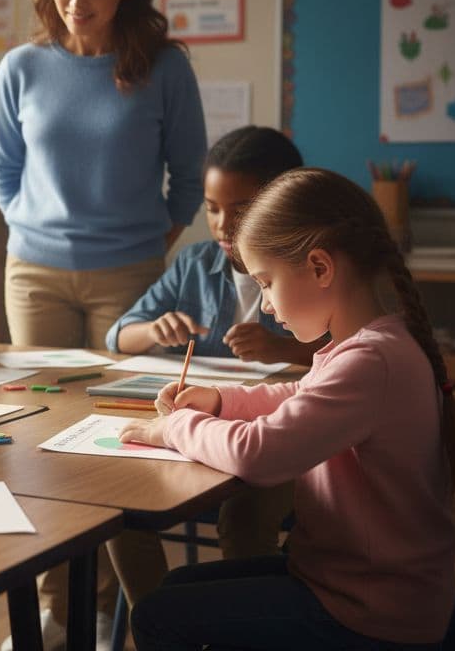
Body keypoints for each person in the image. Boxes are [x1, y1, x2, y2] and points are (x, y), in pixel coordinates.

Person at [121, 167, 455, 650]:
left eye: (265, 282)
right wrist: (221, 400)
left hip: (371, 613)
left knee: (160, 615)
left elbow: (260, 454)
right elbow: (299, 397)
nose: (263, 304)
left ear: (321, 268)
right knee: (173, 592)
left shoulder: (370, 361)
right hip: (352, 585)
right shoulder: (370, 345)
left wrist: (175, 426)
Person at [0, 0, 205, 646]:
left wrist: (143, 240)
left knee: (117, 446)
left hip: (130, 278)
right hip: (35, 277)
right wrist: (39, 226)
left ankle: (125, 610)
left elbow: (188, 177)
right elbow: (2, 173)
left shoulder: (164, 66)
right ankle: (56, 612)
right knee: (41, 444)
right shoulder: (22, 66)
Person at [107, 126, 322, 561]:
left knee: (243, 516)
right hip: (208, 429)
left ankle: (233, 619)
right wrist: (153, 331)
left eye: (241, 209)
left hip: (280, 439)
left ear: (279, 204)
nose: (224, 225)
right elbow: (118, 334)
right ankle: (154, 618)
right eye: (211, 209)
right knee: (116, 498)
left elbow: (344, 358)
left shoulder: (312, 270)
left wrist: (281, 350)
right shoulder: (194, 263)